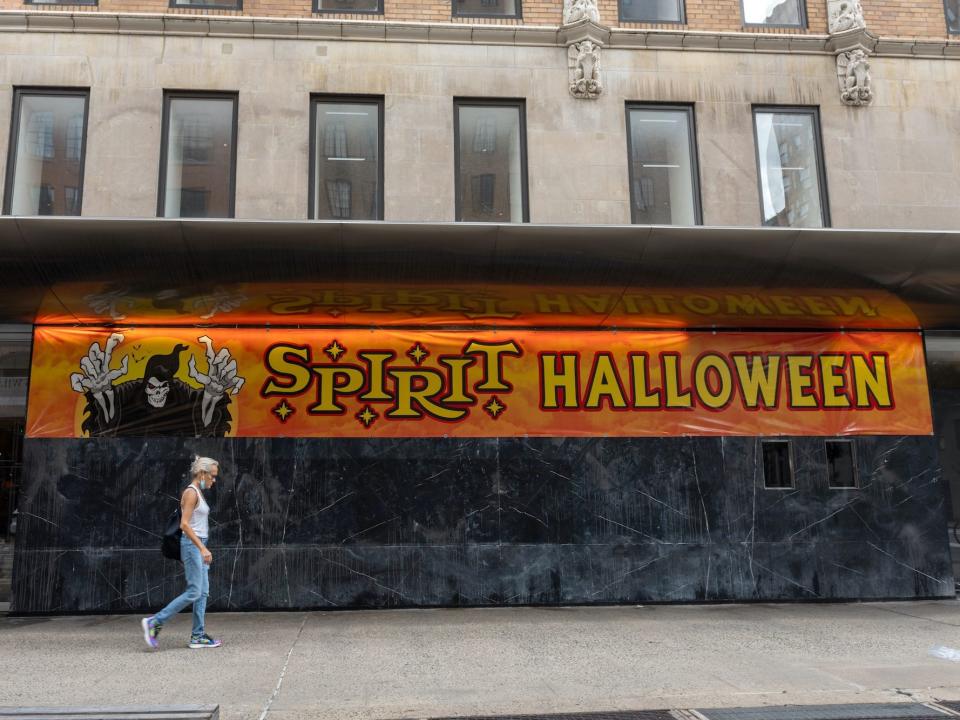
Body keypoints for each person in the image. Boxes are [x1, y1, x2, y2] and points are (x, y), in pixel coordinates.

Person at [141, 456, 222, 649]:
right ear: (202, 473)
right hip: (193, 545)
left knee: (202, 592)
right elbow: (184, 524)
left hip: (199, 544)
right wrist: (202, 548)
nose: (214, 480)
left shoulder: (198, 493)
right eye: (212, 476)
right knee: (195, 591)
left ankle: (198, 636)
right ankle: (155, 622)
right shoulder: (191, 492)